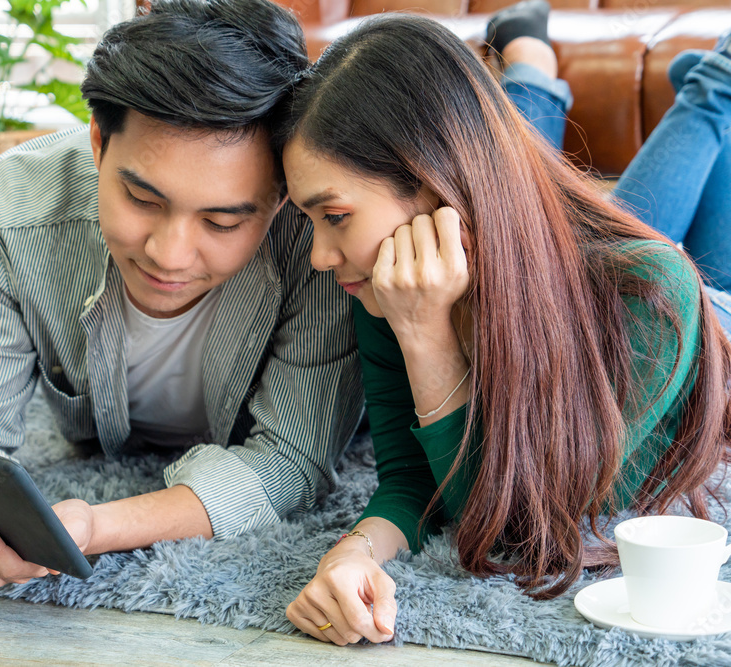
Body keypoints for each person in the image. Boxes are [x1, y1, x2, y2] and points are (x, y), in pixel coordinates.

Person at [0, 0, 364, 604]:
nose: (170, 254)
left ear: (281, 195)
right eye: (142, 200)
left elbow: (291, 462)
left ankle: (524, 53)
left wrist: (93, 525)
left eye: (220, 222)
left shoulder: (320, 243)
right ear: (98, 141)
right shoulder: (9, 209)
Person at [278, 8, 731, 645]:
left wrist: (428, 335)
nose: (321, 257)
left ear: (436, 185)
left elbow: (517, 527)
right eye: (309, 220)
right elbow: (416, 485)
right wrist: (351, 554)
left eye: (336, 216)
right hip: (578, 274)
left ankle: (718, 82)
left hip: (703, 322)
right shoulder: (385, 288)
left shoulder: (648, 302)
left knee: (655, 255)